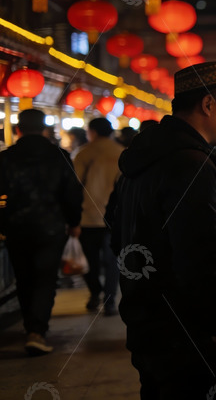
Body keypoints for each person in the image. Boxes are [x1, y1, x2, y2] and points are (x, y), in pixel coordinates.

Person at [111, 62, 216, 399]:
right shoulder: (192, 165)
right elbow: (201, 253)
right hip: (190, 334)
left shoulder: (144, 158)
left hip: (149, 323)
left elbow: (118, 236)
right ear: (207, 105)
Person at [0, 109, 83, 355]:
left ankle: (31, 328)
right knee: (45, 278)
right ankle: (37, 331)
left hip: (16, 228)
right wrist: (74, 221)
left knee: (24, 278)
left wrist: (3, 221)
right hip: (51, 227)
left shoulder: (6, 158)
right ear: (45, 128)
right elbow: (72, 193)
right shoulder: (59, 156)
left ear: (18, 129)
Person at [73, 117, 124, 316]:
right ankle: (110, 300)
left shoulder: (83, 153)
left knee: (90, 260)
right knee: (112, 261)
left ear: (92, 132)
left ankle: (95, 293)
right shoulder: (120, 153)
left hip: (88, 217)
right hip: (113, 217)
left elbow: (75, 186)